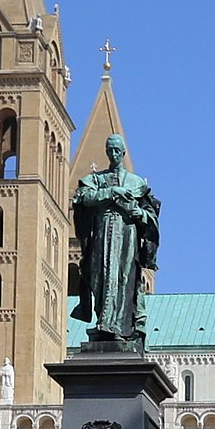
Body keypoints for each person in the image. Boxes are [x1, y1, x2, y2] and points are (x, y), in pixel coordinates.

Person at [69, 134, 160, 346]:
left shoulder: (136, 182)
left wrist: (140, 214)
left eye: (117, 150)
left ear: (123, 152)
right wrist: (112, 192)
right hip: (102, 234)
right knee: (99, 276)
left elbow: (151, 215)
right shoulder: (96, 180)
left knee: (124, 278)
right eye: (110, 150)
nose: (113, 154)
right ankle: (103, 321)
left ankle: (120, 326)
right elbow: (83, 198)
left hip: (127, 235)